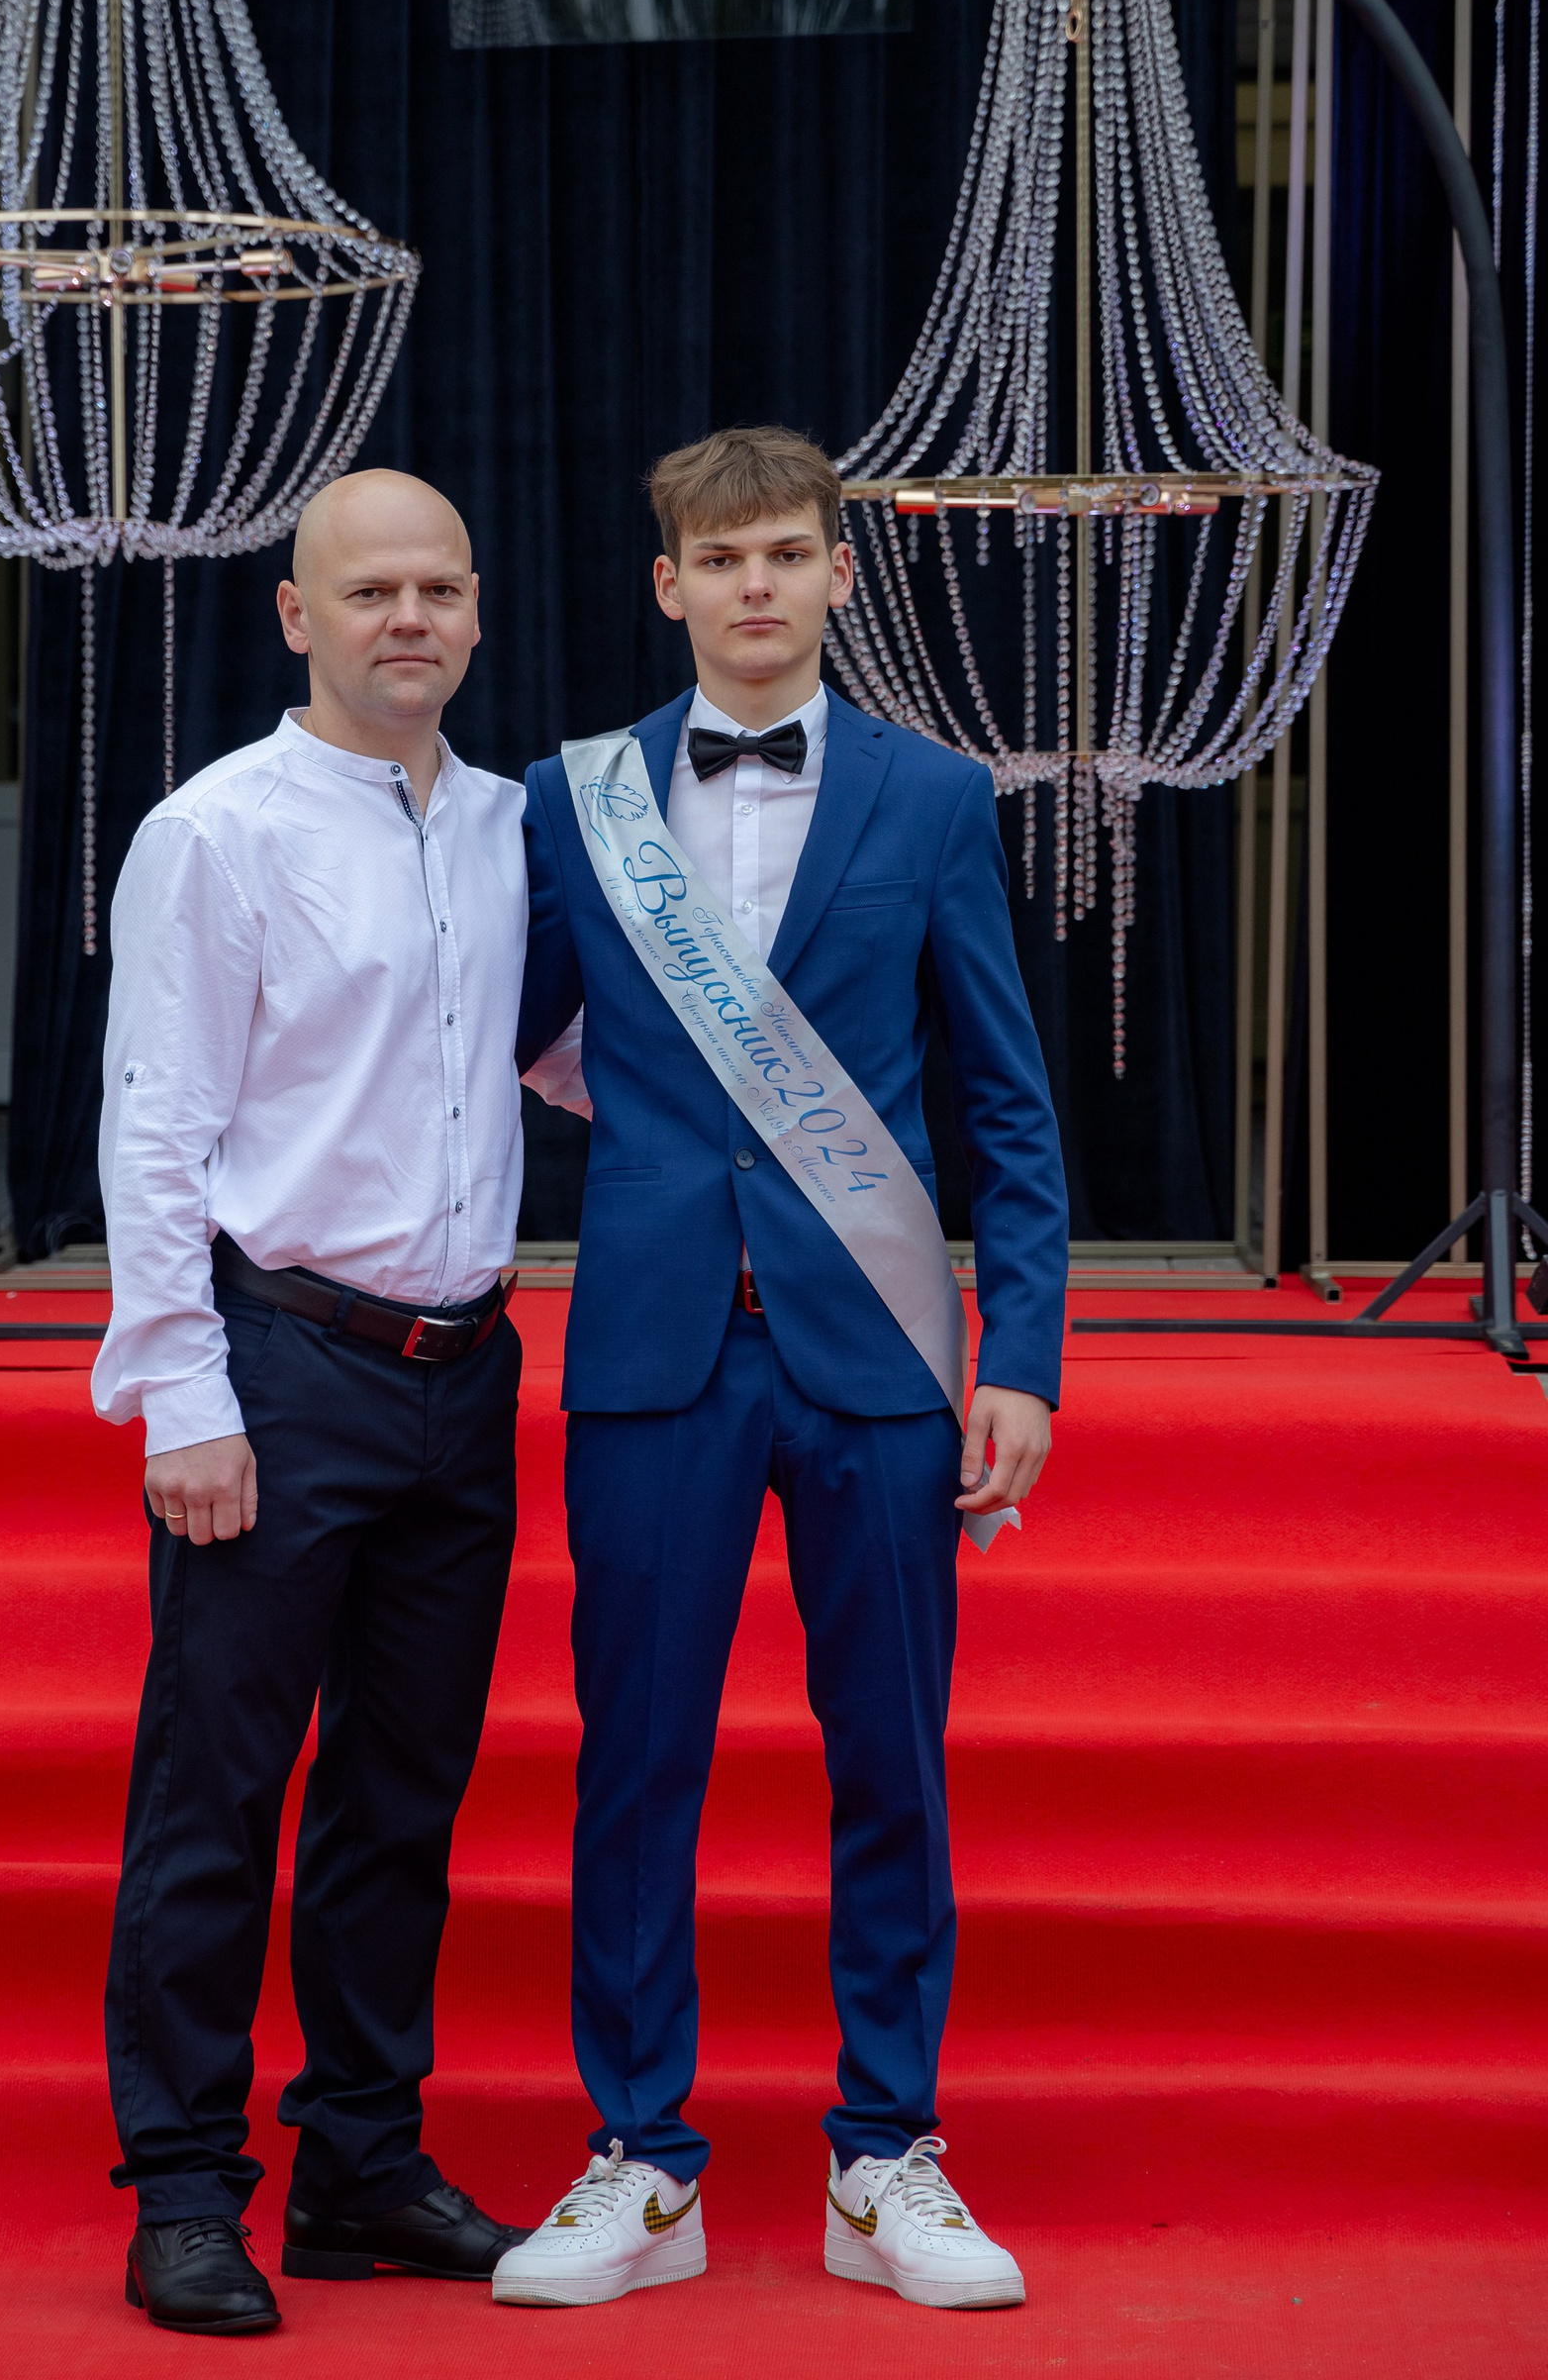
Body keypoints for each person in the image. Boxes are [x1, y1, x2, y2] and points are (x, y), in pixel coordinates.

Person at [496, 426, 1068, 2314]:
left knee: (891, 1760)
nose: (757, 585)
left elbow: (1006, 1101)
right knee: (636, 1764)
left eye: (788, 553)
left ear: (837, 572)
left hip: (876, 1357)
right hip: (654, 1350)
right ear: (669, 586)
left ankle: (884, 2156)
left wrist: (1024, 1355)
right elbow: (498, 1036)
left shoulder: (937, 798)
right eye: (723, 558)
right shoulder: (572, 801)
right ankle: (640, 2161)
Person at [92, 467, 533, 2337]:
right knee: (217, 1792)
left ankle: (361, 2159)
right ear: (297, 616)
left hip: (467, 1374)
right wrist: (180, 1393)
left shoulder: (518, 828)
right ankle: (188, 2188)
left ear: (478, 611)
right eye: (369, 592)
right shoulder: (217, 832)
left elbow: (558, 1058)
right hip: (277, 1368)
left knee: (401, 1799)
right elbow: (156, 1130)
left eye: (438, 588)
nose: (406, 618)